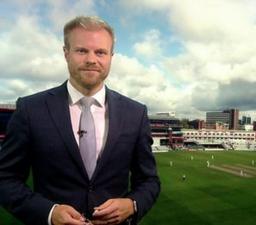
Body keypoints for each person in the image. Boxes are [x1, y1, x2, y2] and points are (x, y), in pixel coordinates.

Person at [0, 16, 160, 225]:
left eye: (100, 52)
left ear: (111, 56)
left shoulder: (135, 113)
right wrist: (49, 213)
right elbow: (5, 179)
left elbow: (149, 180)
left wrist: (132, 204)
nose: (91, 59)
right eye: (82, 50)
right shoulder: (30, 109)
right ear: (66, 53)